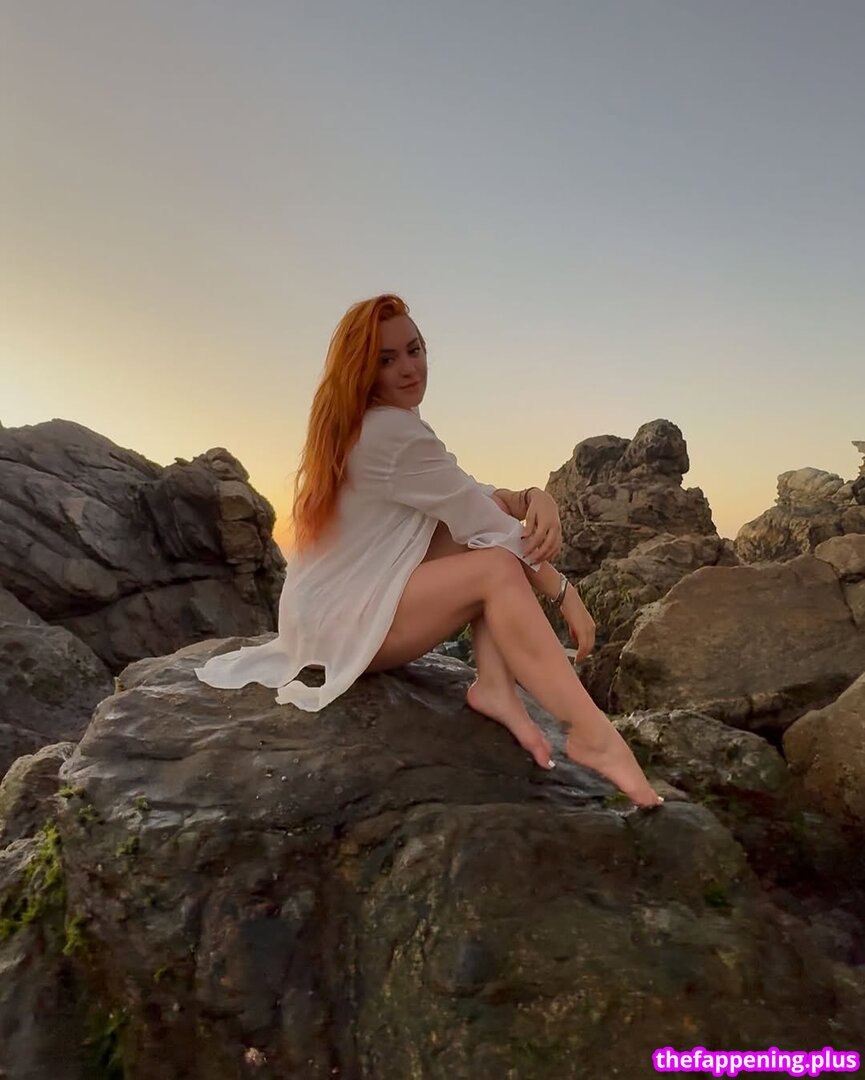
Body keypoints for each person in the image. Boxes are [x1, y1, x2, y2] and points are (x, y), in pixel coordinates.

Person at [194, 293, 663, 808]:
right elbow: (483, 521)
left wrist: (534, 497)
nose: (408, 368)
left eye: (414, 350)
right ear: (362, 372)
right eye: (386, 359)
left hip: (324, 610)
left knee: (482, 539)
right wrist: (565, 594)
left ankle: (496, 688)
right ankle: (593, 736)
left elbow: (472, 498)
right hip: (338, 625)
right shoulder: (389, 432)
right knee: (495, 568)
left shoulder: (380, 424)